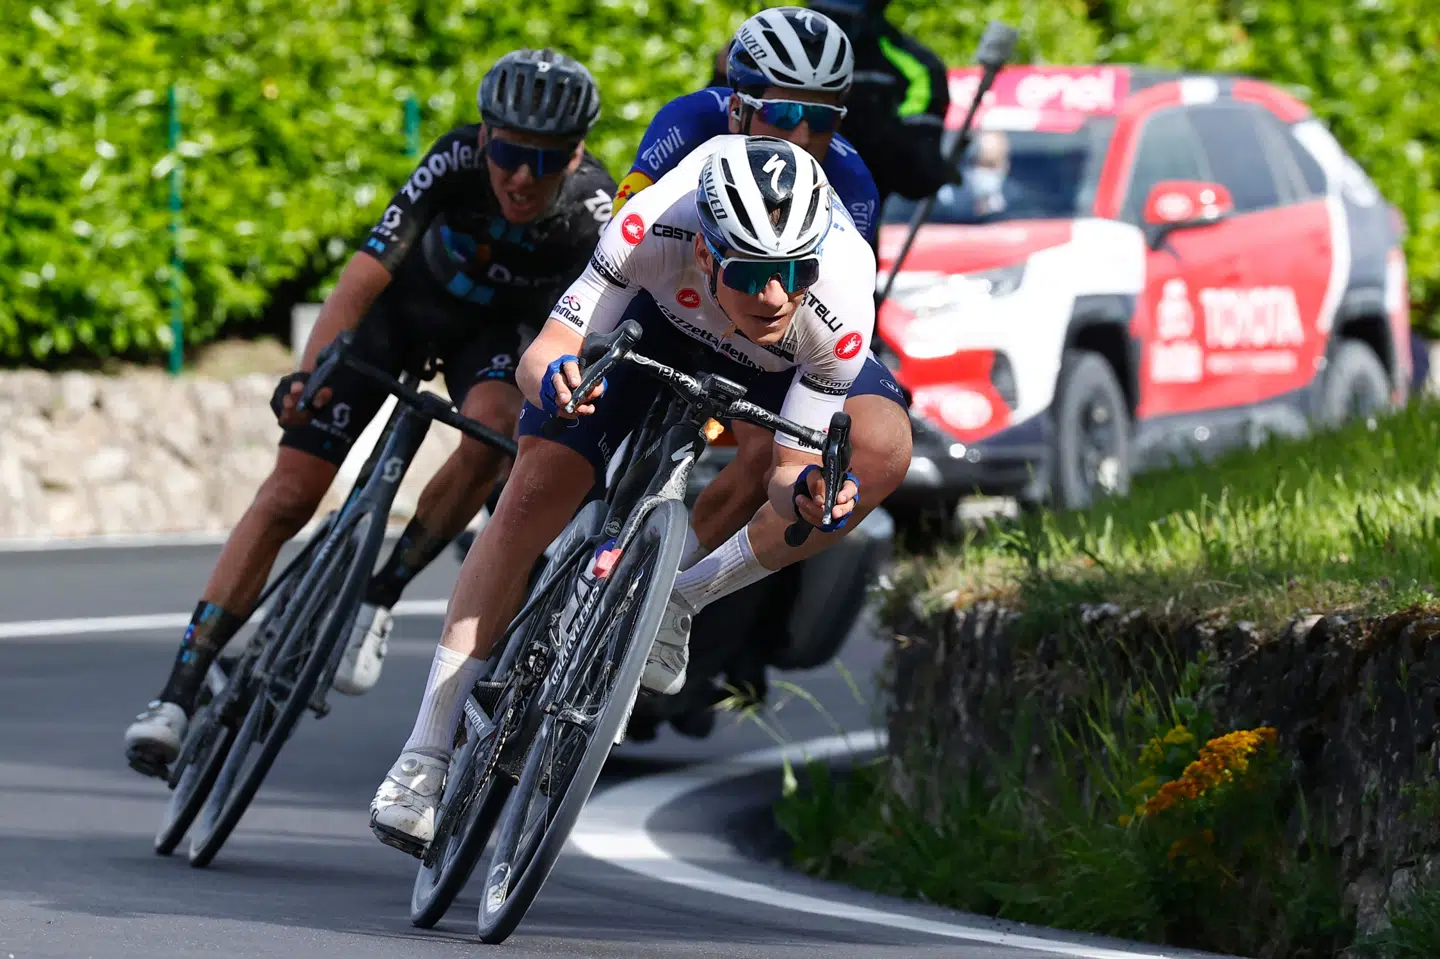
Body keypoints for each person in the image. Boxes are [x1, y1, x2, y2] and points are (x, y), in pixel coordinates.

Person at [368, 135, 913, 849]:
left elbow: (784, 471)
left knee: (864, 460)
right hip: (655, 320)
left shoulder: (837, 296)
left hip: (772, 367)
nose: (776, 293)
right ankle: (425, 752)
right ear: (710, 251)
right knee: (534, 487)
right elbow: (546, 352)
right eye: (754, 271)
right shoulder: (651, 225)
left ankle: (679, 597)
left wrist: (808, 492)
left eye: (792, 270)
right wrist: (556, 381)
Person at [121, 48, 617, 778]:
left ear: (574, 157)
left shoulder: (593, 211)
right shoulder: (452, 160)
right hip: (402, 315)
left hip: (492, 341)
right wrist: (306, 373)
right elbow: (362, 277)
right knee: (289, 492)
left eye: (543, 162)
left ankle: (379, 596)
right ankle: (177, 692)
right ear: (484, 138)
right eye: (508, 152)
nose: (520, 176)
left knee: (495, 435)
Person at [618, 5, 880, 247]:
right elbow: (620, 237)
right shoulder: (691, 122)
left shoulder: (854, 185)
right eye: (783, 114)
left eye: (822, 118)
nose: (801, 138)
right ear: (737, 110)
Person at [805, 0, 952, 211]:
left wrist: (869, 127)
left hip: (856, 225)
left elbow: (920, 178)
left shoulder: (916, 69)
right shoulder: (767, 47)